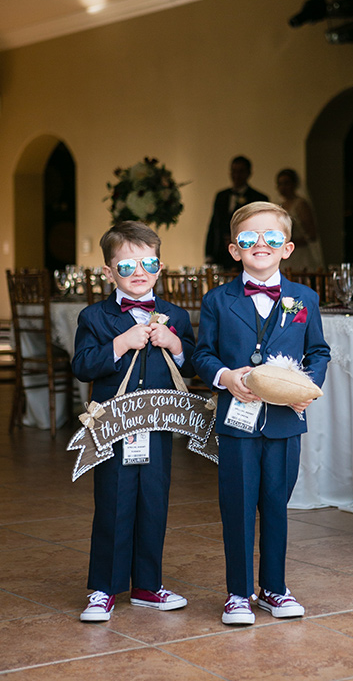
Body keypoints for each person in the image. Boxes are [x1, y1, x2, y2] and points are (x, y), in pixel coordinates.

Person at [193, 201, 330, 625]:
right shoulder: (217, 300)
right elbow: (202, 354)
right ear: (235, 250)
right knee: (237, 504)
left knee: (275, 502)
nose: (261, 245)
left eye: (271, 238)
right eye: (250, 239)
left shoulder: (304, 298)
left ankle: (274, 587)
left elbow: (319, 352)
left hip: (287, 421)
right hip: (237, 420)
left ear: (286, 248)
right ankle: (238, 593)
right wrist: (223, 377)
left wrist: (307, 389)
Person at [72, 221, 195, 622]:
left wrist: (175, 344)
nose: (138, 272)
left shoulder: (175, 315)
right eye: (126, 266)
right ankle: (104, 588)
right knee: (113, 501)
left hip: (158, 425)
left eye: (148, 263)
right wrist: (120, 343)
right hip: (113, 427)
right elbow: (82, 366)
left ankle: (147, 585)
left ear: (160, 267)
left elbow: (194, 362)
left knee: (153, 501)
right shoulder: (95, 316)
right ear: (108, 272)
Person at [205, 156, 269, 268]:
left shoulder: (259, 198)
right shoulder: (221, 196)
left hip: (246, 255)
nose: (236, 175)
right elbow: (213, 225)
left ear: (248, 173)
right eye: (233, 171)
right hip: (221, 255)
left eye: (241, 171)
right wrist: (209, 254)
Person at [276, 168, 324, 271]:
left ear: (294, 184)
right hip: (284, 254)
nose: (283, 187)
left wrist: (291, 241)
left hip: (299, 253)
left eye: (286, 183)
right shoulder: (280, 206)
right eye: (280, 184)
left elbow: (312, 234)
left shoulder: (300, 204)